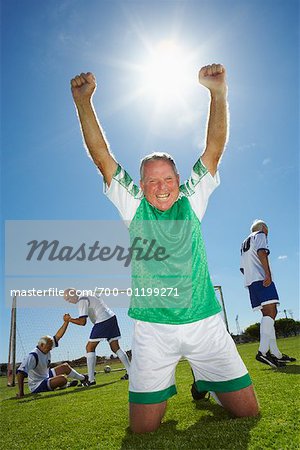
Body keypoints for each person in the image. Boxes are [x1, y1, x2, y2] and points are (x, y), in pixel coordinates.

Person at [70, 64, 259, 433]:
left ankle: (207, 380)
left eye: (168, 178)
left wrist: (217, 93)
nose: (161, 187)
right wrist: (83, 103)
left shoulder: (192, 198)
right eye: (152, 180)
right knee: (143, 432)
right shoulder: (133, 204)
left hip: (205, 324)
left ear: (178, 180)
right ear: (141, 184)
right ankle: (191, 383)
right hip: (153, 332)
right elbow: (102, 157)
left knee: (248, 415)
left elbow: (213, 150)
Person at [240, 219, 296, 368]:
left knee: (269, 314)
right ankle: (263, 352)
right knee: (271, 312)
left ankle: (276, 354)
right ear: (263, 228)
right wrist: (267, 274)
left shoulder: (244, 243)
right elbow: (262, 252)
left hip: (251, 282)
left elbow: (242, 269)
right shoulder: (260, 235)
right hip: (260, 279)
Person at [63, 288, 130, 385]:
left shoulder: (81, 300)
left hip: (103, 320)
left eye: (68, 298)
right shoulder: (87, 292)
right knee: (115, 347)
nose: (69, 301)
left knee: (89, 347)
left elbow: (82, 322)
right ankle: (130, 372)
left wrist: (69, 319)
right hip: (111, 317)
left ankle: (91, 380)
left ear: (73, 293)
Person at [16, 319, 87, 398]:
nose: (50, 349)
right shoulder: (33, 356)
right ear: (42, 345)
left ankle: (83, 378)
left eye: (51, 347)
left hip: (46, 375)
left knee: (65, 366)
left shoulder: (46, 346)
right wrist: (21, 392)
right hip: (38, 384)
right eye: (48, 348)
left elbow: (58, 336)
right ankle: (66, 385)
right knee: (63, 379)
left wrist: (66, 322)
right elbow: (20, 373)